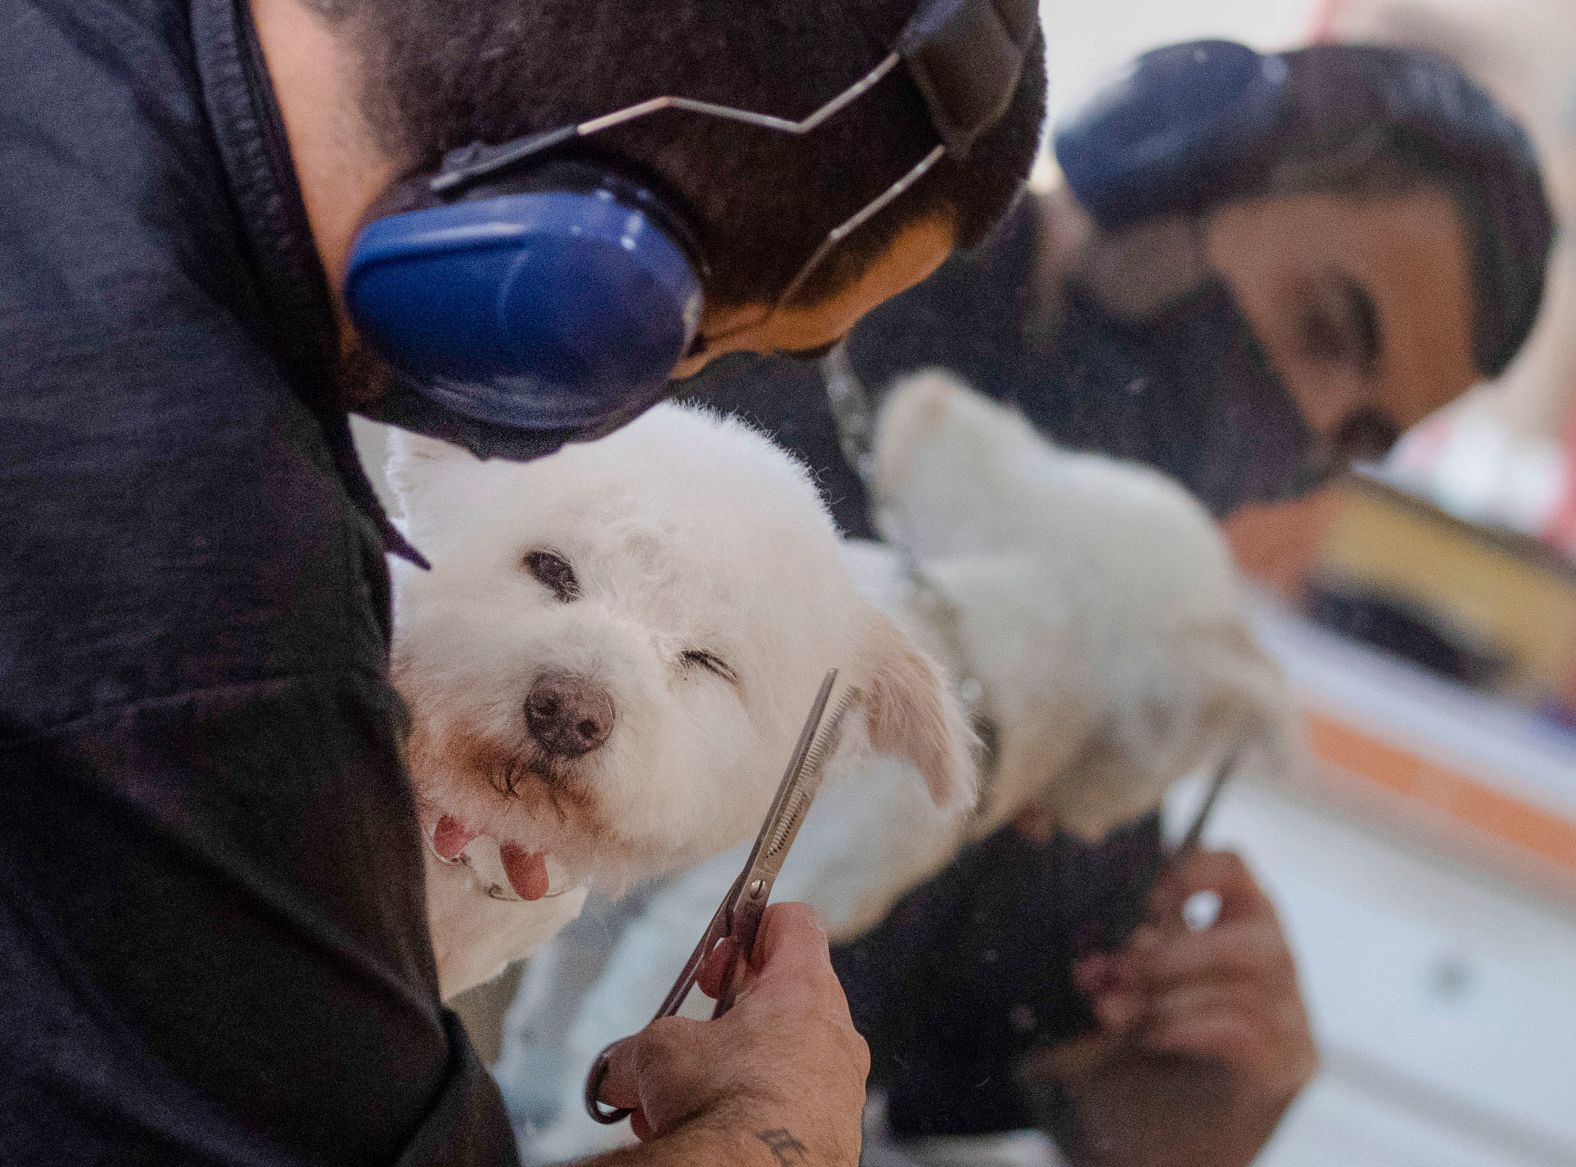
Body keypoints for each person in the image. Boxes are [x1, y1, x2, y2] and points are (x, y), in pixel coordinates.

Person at [0, 2, 1047, 1165]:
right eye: (693, 338)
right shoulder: (211, 600)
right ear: (579, 260)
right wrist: (771, 1131)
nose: (643, 399)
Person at [674, 40, 1554, 1167]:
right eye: (1325, 327)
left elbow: (944, 1062)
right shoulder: (778, 297)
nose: (1303, 425)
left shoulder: (1114, 624)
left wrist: (1145, 1098)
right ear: (1164, 151)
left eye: (1355, 438)